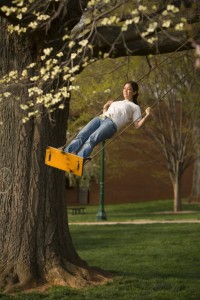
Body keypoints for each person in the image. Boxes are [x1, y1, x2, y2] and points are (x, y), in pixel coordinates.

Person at [63, 81, 151, 159]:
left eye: (129, 89)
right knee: (82, 134)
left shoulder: (135, 107)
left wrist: (147, 115)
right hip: (102, 118)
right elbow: (107, 112)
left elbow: (137, 125)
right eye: (124, 88)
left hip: (112, 124)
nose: (125, 90)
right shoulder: (117, 102)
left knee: (92, 138)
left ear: (134, 92)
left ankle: (80, 158)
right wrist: (105, 107)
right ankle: (68, 152)